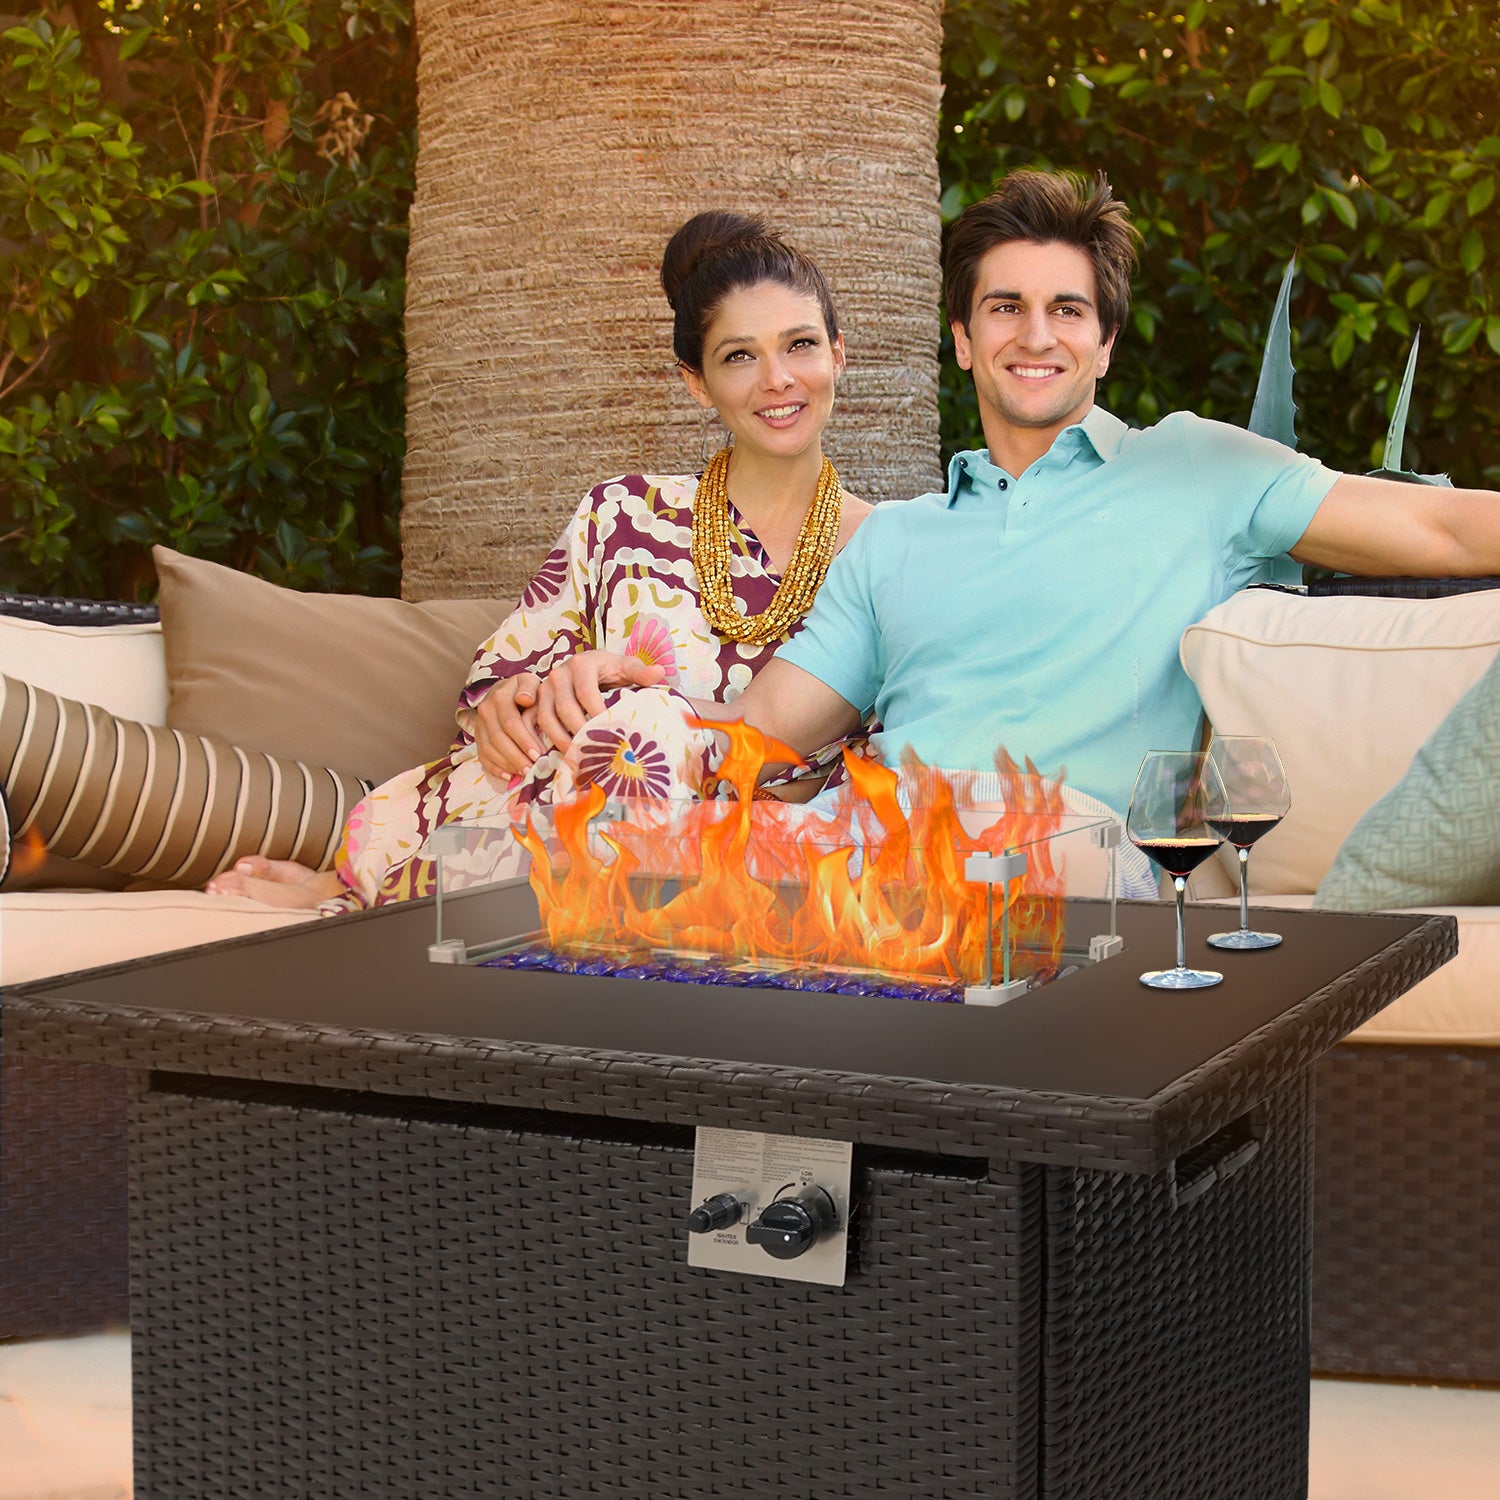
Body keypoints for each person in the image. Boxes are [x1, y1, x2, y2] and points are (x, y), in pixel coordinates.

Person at [538, 168, 1500, 824]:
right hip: (865, 866)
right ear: (963, 339)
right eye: (1005, 308)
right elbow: (752, 737)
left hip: (1066, 878)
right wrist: (606, 700)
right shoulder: (895, 540)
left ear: (1105, 342)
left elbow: (1440, 524)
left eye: (1067, 309)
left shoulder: (1198, 469)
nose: (1035, 336)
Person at [206, 211, 872, 909]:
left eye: (799, 345)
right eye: (739, 356)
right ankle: (383, 886)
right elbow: (504, 692)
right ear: (696, 382)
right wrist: (517, 704)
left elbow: (895, 744)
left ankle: (386, 899)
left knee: (640, 728)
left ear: (838, 354)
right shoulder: (625, 514)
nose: (777, 379)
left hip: (773, 847)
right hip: (589, 813)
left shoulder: (889, 545)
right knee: (565, 757)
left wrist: (653, 715)